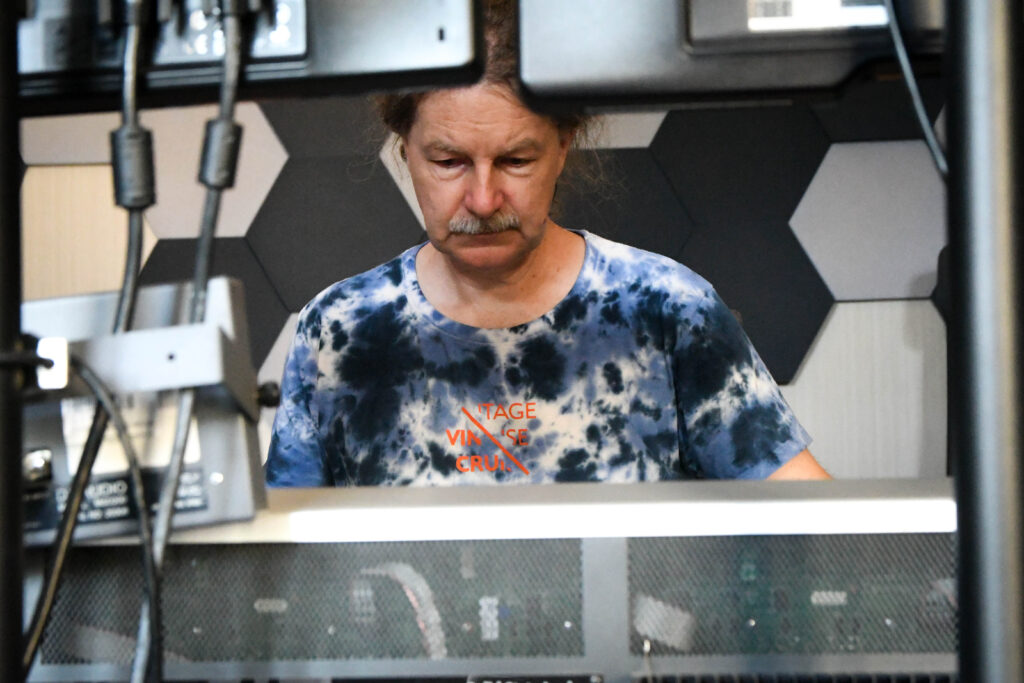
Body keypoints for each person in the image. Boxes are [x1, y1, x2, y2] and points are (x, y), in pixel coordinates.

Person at [264, 0, 829, 487]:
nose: (483, 199)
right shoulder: (340, 331)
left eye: (515, 160)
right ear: (404, 149)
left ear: (563, 145)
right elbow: (281, 556)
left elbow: (812, 522)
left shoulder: (665, 310)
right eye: (449, 161)